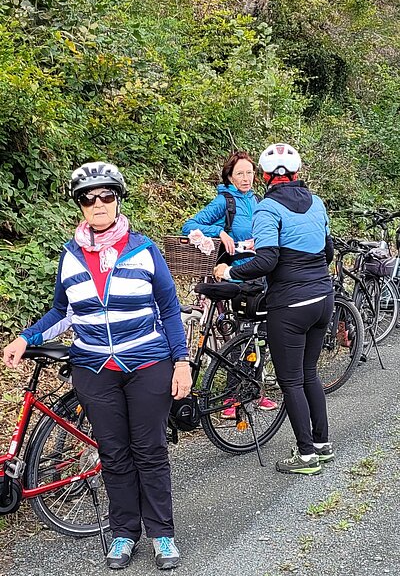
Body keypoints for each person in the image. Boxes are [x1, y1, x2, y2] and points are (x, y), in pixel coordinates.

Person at [2, 162, 192, 570]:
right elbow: (61, 311)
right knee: (113, 452)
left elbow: (170, 309)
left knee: (150, 450)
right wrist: (26, 337)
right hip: (93, 368)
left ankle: (162, 533)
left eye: (107, 195)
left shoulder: (144, 250)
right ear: (81, 207)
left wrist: (182, 361)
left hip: (147, 362)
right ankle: (124, 532)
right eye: (89, 198)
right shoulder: (70, 257)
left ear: (118, 200)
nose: (99, 203)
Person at [214, 143, 335, 475]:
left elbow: (267, 260)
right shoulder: (318, 204)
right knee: (309, 373)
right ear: (297, 173)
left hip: (291, 304)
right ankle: (322, 445)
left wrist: (230, 271)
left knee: (291, 380)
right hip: (323, 299)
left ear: (266, 176)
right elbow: (328, 253)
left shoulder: (267, 208)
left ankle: (306, 455)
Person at [182, 150, 277, 416]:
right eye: (240, 174)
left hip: (258, 273)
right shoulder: (225, 201)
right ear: (230, 176)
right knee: (240, 334)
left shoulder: (258, 201)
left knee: (258, 336)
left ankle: (253, 391)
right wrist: (219, 231)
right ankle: (231, 400)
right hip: (234, 275)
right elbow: (189, 225)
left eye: (249, 173)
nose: (246, 178)